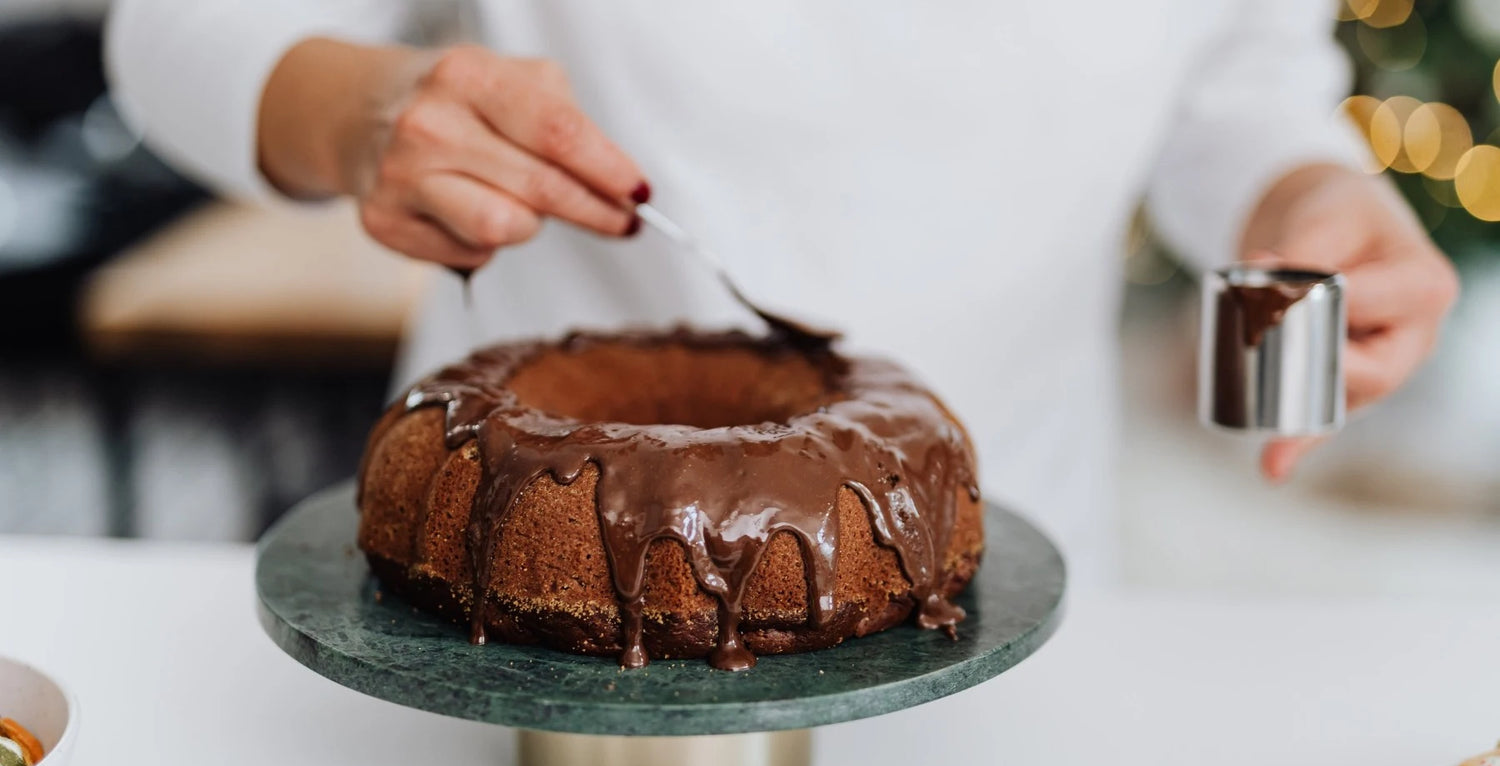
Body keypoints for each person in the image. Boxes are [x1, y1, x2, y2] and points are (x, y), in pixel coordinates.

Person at [105, 1, 1457, 583]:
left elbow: (1240, 83)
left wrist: (1298, 197)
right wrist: (366, 111)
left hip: (1019, 556)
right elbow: (175, 30)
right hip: (534, 579)